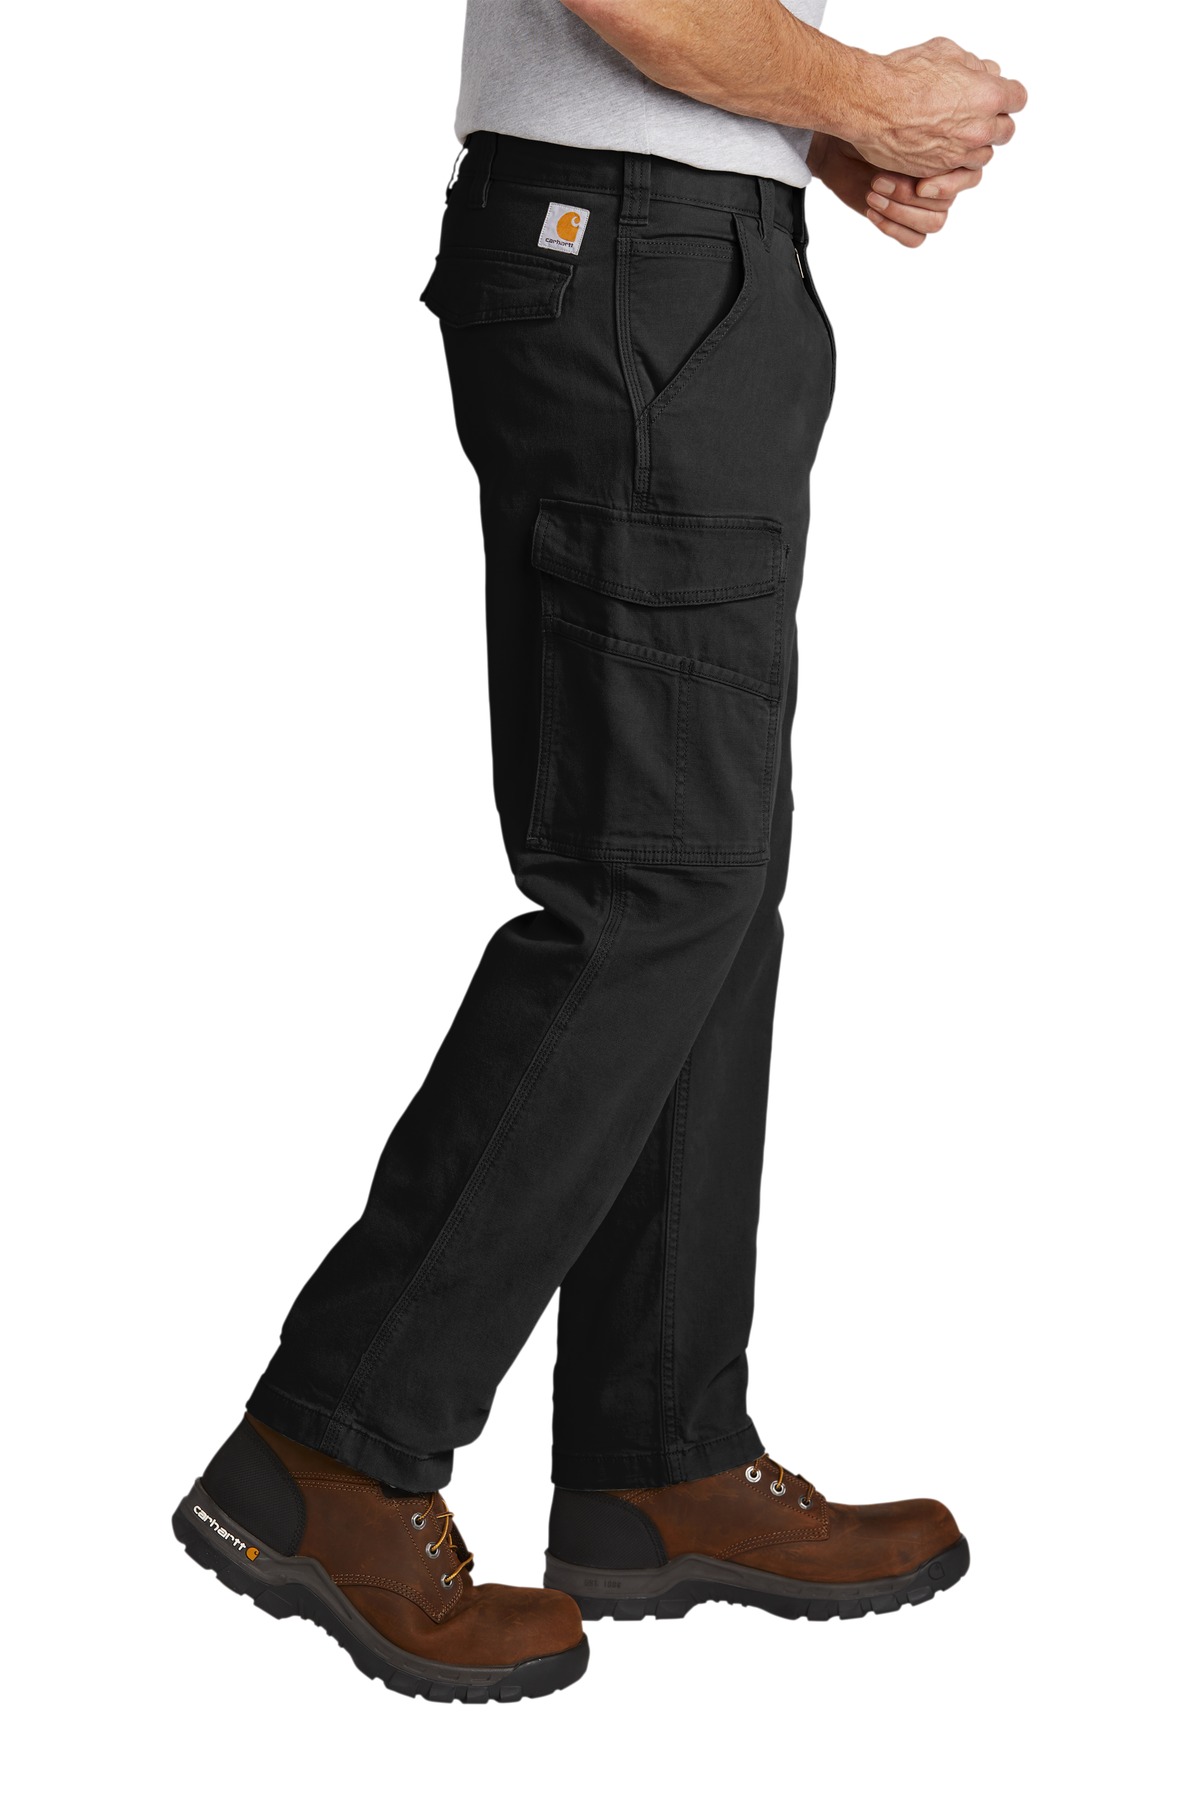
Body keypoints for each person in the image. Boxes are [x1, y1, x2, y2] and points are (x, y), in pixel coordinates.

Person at [174, 0, 1026, 1704]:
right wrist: (862, 94)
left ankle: (659, 1457)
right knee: (657, 885)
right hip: (630, 252)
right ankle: (330, 1445)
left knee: (713, 886)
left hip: (682, 246)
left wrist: (809, 128)